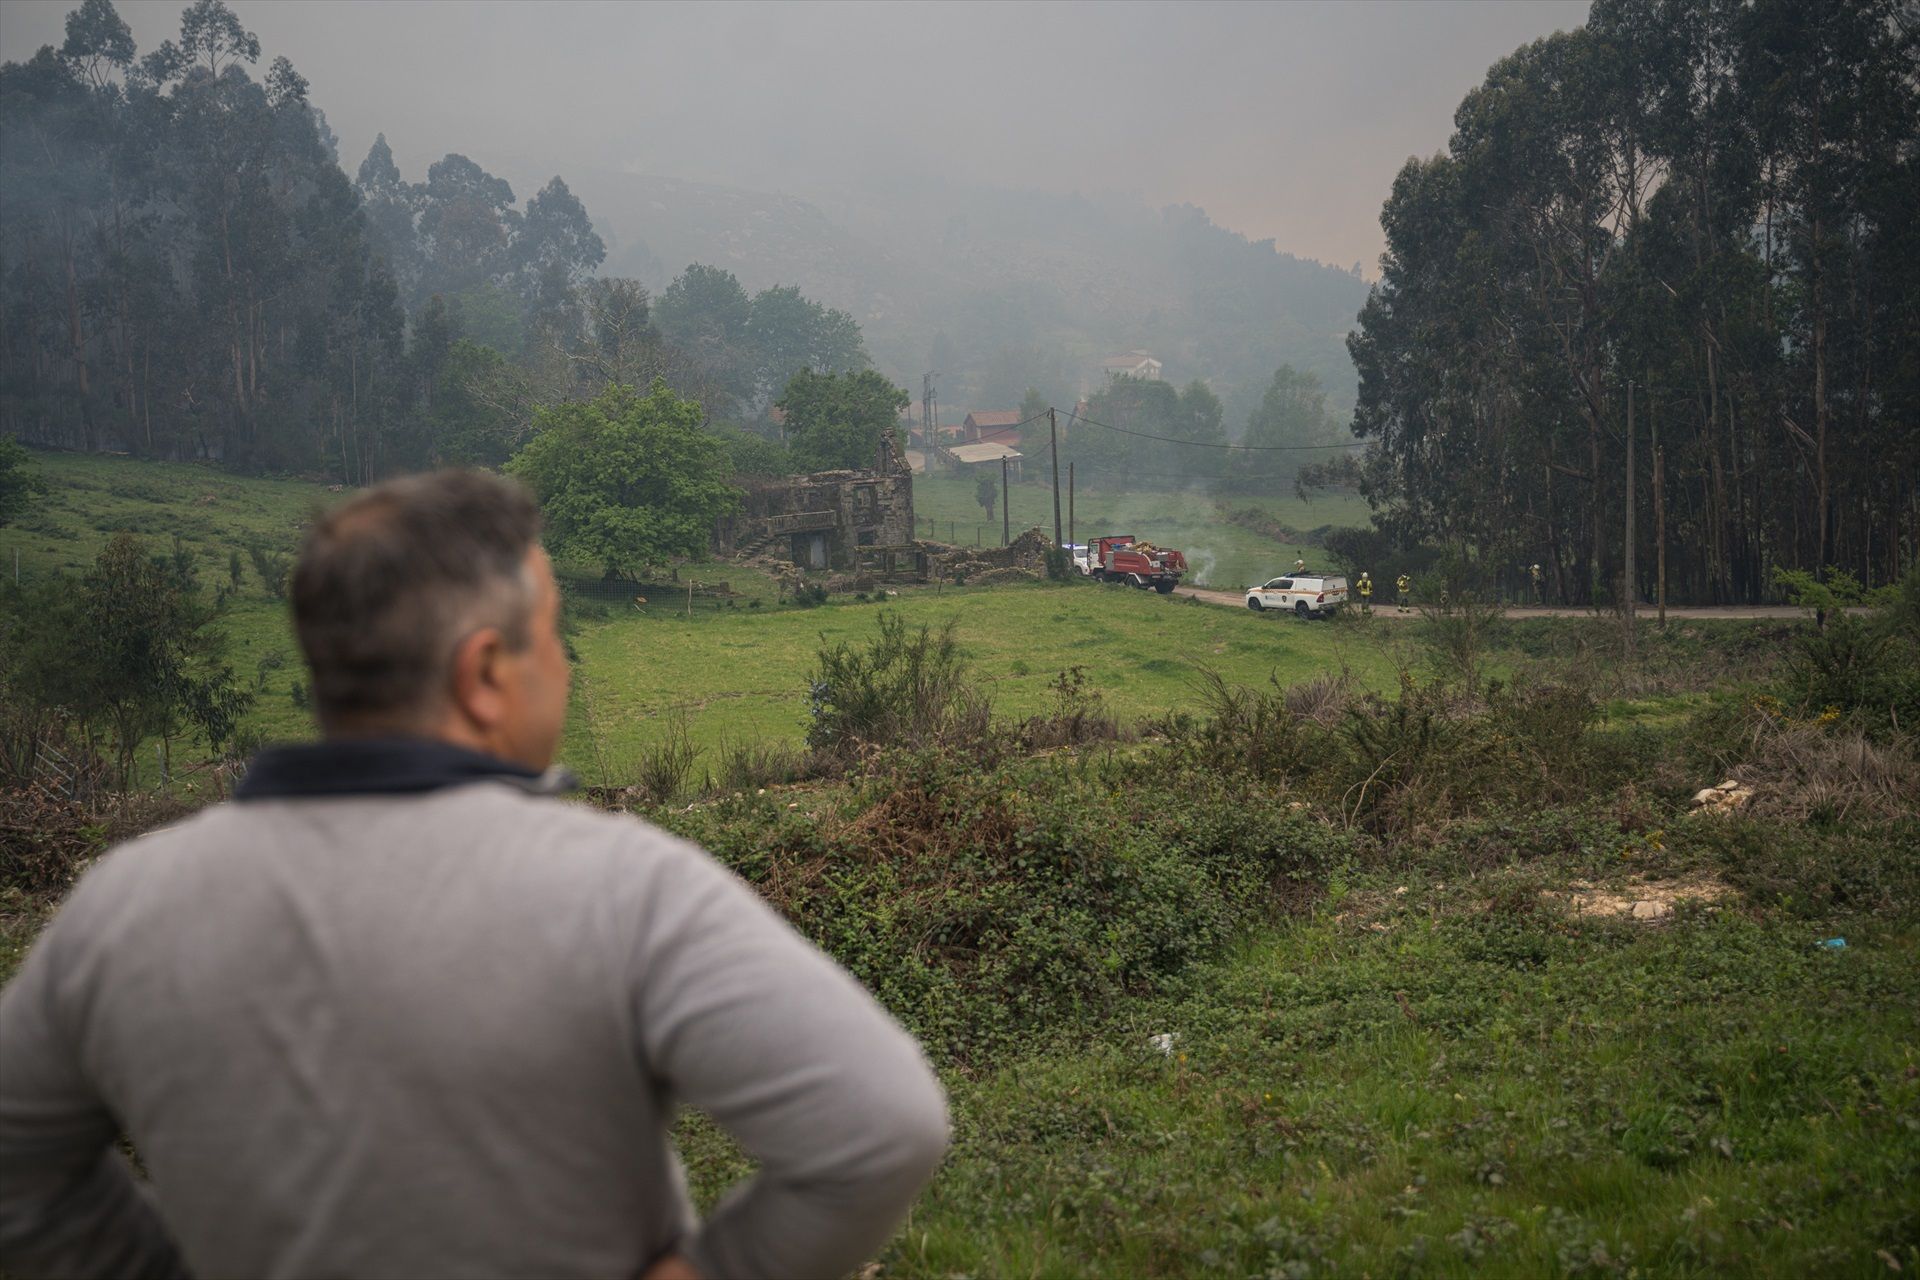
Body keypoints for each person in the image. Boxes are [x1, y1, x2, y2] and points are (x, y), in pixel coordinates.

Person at [0, 470, 948, 1280]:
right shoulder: (621, 885)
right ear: (485, 672)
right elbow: (882, 1126)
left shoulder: (124, 906)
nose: (566, 672)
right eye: (553, 637)